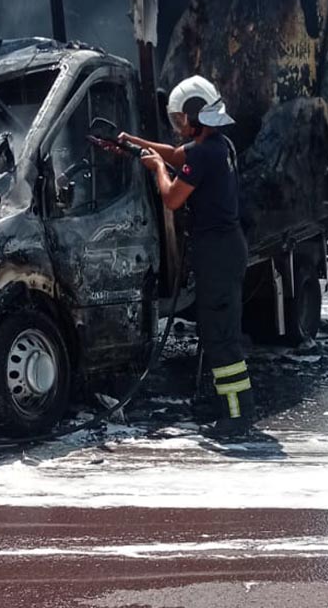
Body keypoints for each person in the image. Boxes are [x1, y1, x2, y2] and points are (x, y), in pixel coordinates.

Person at [120, 76, 255, 434]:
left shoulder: (204, 152)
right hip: (229, 248)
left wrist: (159, 171)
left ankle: (236, 416)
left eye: (181, 120)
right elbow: (178, 153)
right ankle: (237, 410)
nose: (179, 127)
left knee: (220, 337)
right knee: (222, 332)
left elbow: (172, 198)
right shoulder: (220, 145)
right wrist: (134, 144)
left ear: (195, 115)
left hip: (217, 253)